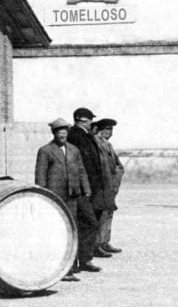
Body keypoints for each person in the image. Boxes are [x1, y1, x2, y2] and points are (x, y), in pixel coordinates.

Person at [35, 118, 89, 282]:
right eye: (59, 132)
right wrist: (43, 194)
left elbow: (81, 170)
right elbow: (40, 175)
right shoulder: (45, 150)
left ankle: (71, 266)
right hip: (54, 197)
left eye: (65, 132)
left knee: (71, 230)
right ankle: (57, 267)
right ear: (54, 133)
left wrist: (86, 188)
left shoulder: (74, 150)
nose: (62, 134)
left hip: (72, 196)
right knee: (56, 231)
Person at [65, 107, 104, 271]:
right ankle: (80, 260)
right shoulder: (75, 135)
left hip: (87, 187)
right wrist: (85, 186)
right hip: (79, 189)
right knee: (87, 222)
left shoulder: (85, 136)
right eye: (89, 120)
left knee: (87, 223)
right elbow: (80, 165)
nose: (91, 123)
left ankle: (84, 259)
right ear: (80, 119)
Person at [94, 118, 124, 256]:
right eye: (106, 129)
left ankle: (105, 241)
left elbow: (116, 163)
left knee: (109, 212)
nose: (109, 132)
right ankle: (97, 243)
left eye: (111, 129)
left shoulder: (108, 144)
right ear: (99, 129)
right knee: (101, 213)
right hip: (104, 184)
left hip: (112, 185)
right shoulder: (97, 143)